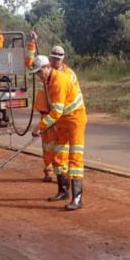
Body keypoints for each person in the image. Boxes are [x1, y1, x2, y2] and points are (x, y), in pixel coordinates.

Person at [30, 55, 86, 210]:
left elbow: (56, 112)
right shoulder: (48, 81)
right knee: (58, 156)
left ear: (48, 67)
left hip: (75, 122)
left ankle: (77, 198)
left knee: (75, 159)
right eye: (36, 73)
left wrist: (39, 127)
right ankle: (63, 191)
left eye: (39, 71)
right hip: (62, 123)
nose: (38, 75)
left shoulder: (59, 81)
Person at [25, 31, 79, 182]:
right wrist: (32, 44)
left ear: (63, 58)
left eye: (58, 58)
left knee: (62, 145)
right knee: (48, 144)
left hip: (61, 115)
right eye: (53, 58)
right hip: (46, 113)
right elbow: (29, 63)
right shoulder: (43, 70)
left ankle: (63, 173)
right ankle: (48, 170)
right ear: (50, 59)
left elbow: (73, 95)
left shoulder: (69, 75)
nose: (56, 60)